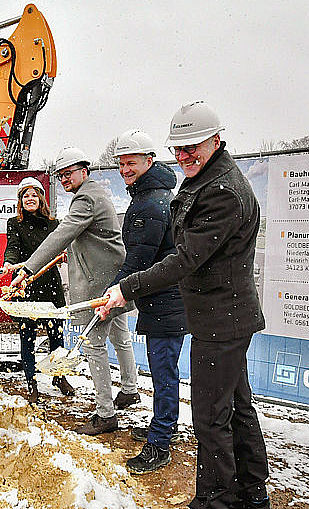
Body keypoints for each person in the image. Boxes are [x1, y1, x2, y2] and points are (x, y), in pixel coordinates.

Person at [100, 102, 271, 509]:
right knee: (237, 405)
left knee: (212, 419)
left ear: (215, 140)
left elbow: (186, 257)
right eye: (178, 148)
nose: (183, 156)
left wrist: (127, 288)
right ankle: (252, 496)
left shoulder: (222, 191)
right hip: (225, 314)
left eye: (191, 147)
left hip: (222, 317)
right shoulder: (211, 179)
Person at [12, 147, 138, 435]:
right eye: (60, 175)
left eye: (69, 173)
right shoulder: (97, 193)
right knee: (120, 337)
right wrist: (74, 250)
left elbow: (61, 234)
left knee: (94, 346)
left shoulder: (85, 198)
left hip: (99, 284)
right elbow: (87, 237)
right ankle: (129, 389)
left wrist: (28, 269)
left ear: (85, 171)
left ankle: (105, 413)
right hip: (115, 278)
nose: (64, 179)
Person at [110, 130, 188, 474]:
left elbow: (138, 259)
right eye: (122, 163)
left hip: (168, 301)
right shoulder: (152, 195)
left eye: (132, 162)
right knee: (162, 372)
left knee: (164, 373)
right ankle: (164, 427)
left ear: (149, 161)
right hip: (162, 297)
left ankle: (160, 444)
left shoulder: (150, 203)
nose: (126, 169)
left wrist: (114, 291)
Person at [2, 177, 75, 402]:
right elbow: (12, 248)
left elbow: (61, 247)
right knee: (28, 336)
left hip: (50, 285)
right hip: (24, 286)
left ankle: (58, 376)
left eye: (34, 195)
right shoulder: (14, 223)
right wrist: (9, 262)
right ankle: (31, 381)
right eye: (26, 195)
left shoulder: (54, 224)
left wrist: (63, 254)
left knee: (56, 335)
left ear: (41, 198)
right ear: (20, 200)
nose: (30, 199)